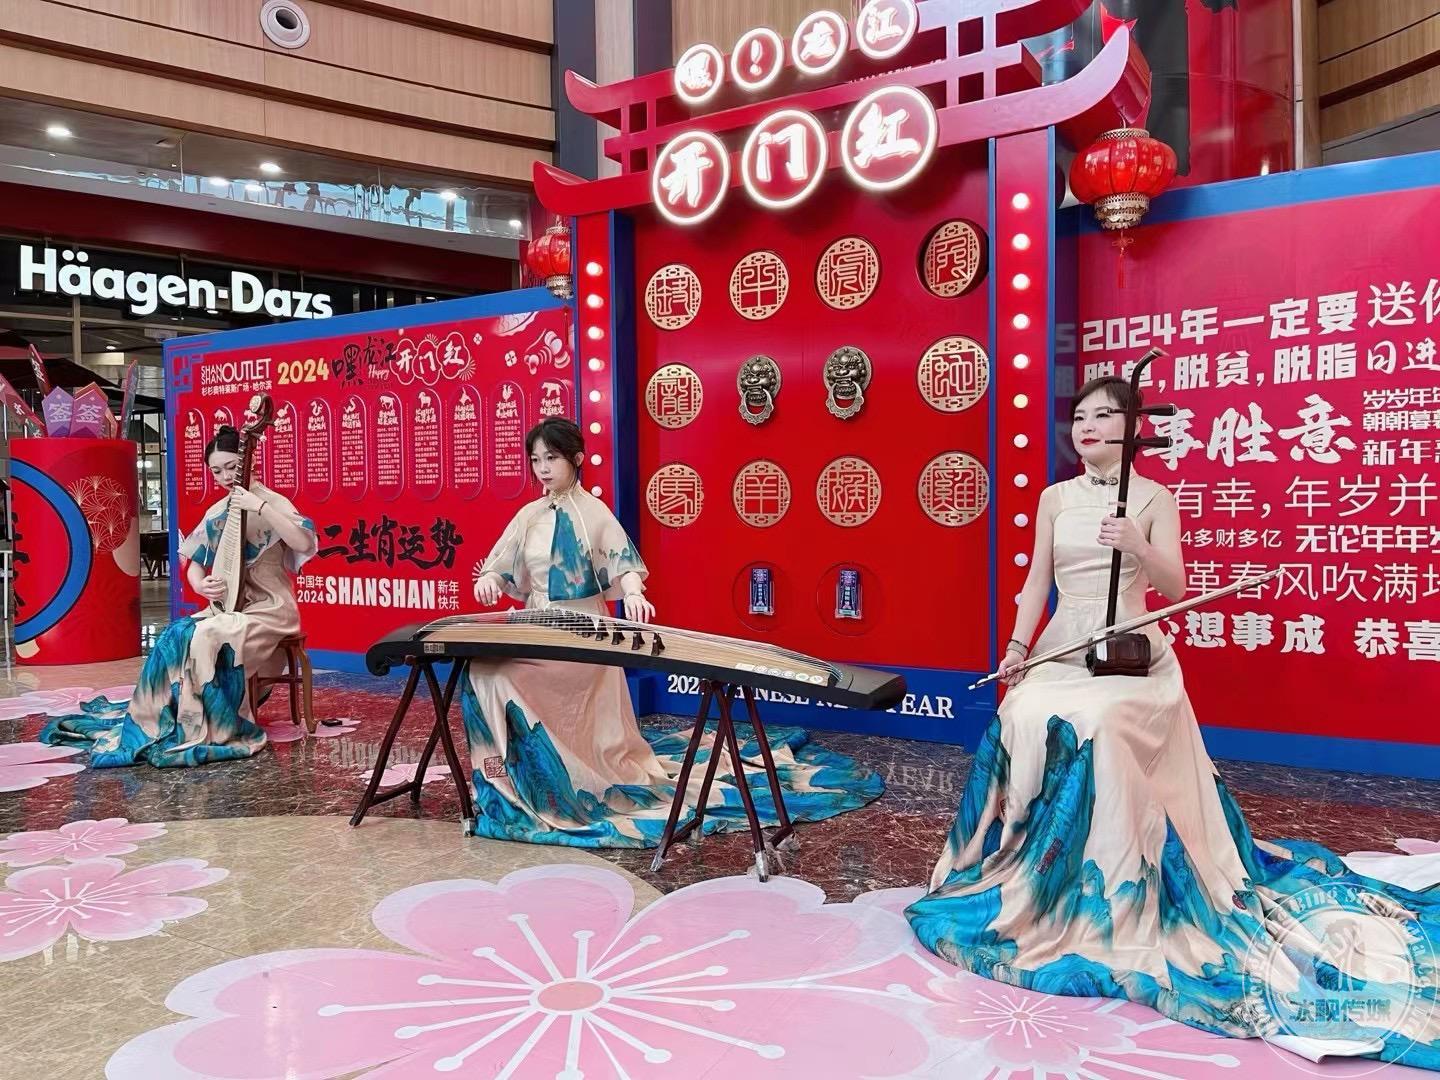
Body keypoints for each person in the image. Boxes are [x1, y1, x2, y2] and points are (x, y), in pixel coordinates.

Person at [906, 376, 1439, 1069]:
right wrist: (1015, 647)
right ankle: (1020, 870)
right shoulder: (1054, 498)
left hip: (1132, 655)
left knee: (1100, 721)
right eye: (1080, 416)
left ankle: (1104, 879)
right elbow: (1037, 581)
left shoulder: (1155, 498)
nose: (1087, 426)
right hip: (1065, 645)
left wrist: (1138, 542)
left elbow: (1177, 587)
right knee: (1023, 709)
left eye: (1104, 415)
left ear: (1132, 429)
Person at [463, 417, 881, 847]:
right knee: (483, 671)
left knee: (501, 676)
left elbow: (622, 561)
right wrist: (490, 579)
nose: (543, 469)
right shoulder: (529, 516)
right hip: (538, 627)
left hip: (584, 634)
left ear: (577, 459)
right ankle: (510, 782)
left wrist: (634, 592)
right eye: (536, 460)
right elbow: (500, 562)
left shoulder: (592, 513)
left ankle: (568, 779)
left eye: (551, 458)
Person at [41, 426, 317, 767]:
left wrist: (259, 505)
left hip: (269, 610)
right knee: (173, 634)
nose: (225, 477)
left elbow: (303, 543)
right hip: (225, 608)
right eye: (217, 471)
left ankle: (212, 729)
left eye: (232, 467)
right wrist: (201, 586)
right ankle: (165, 722)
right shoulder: (219, 512)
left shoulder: (274, 503)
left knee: (207, 636)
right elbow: (194, 564)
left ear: (249, 462)